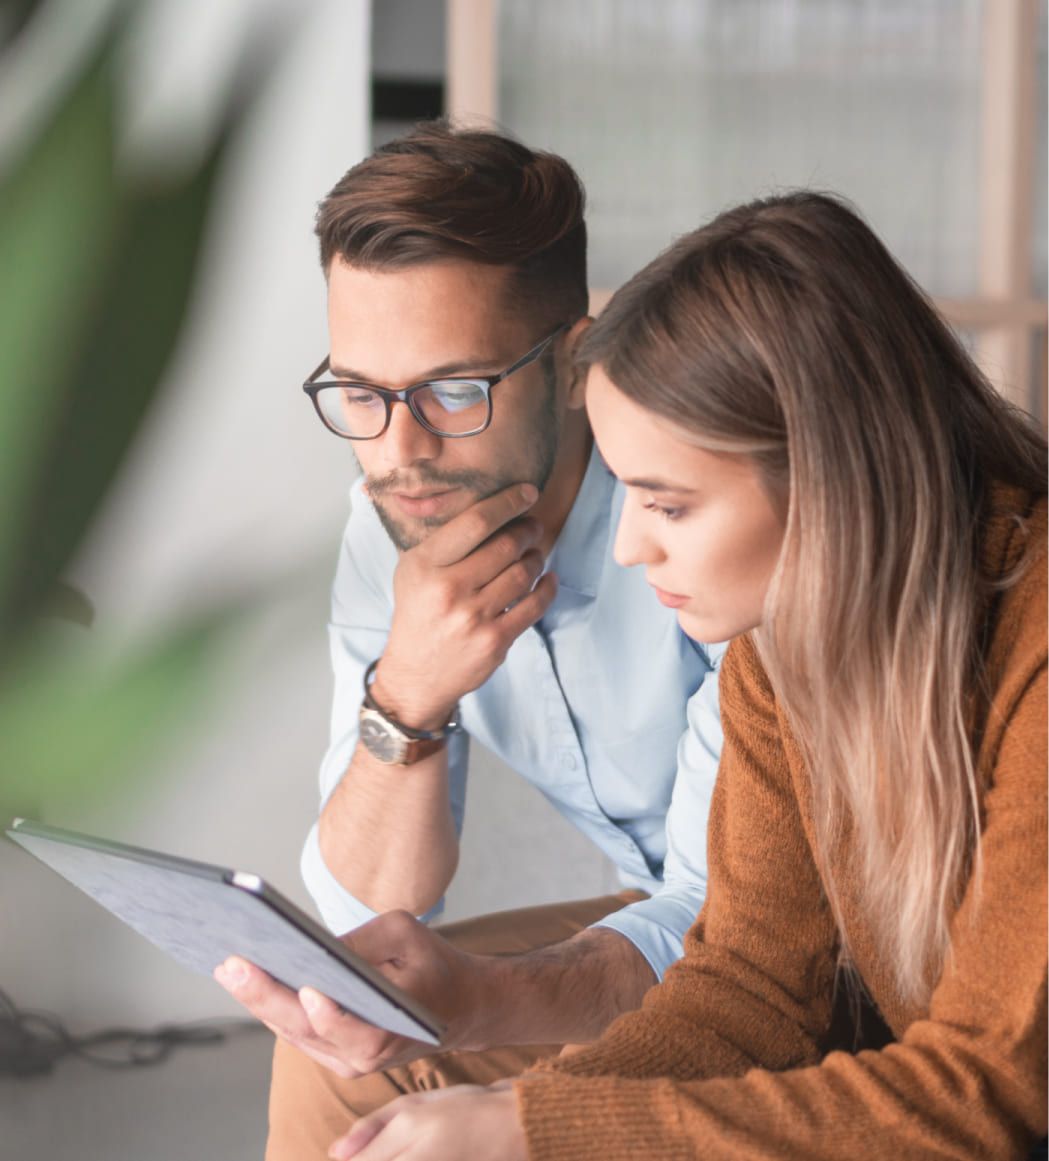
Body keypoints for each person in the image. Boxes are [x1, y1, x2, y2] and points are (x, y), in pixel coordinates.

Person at [325, 190, 1048, 1161]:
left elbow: (989, 1092)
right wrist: (529, 1115)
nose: (627, 548)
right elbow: (744, 990)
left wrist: (531, 1129)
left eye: (667, 506)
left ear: (831, 478)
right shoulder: (776, 662)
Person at [213, 122, 726, 1160]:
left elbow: (753, 922)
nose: (398, 451)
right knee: (341, 1028)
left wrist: (483, 1000)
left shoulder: (698, 513)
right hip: (674, 907)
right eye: (360, 393)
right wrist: (406, 694)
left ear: (573, 363)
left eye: (453, 391)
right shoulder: (394, 524)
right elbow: (370, 912)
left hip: (827, 931)